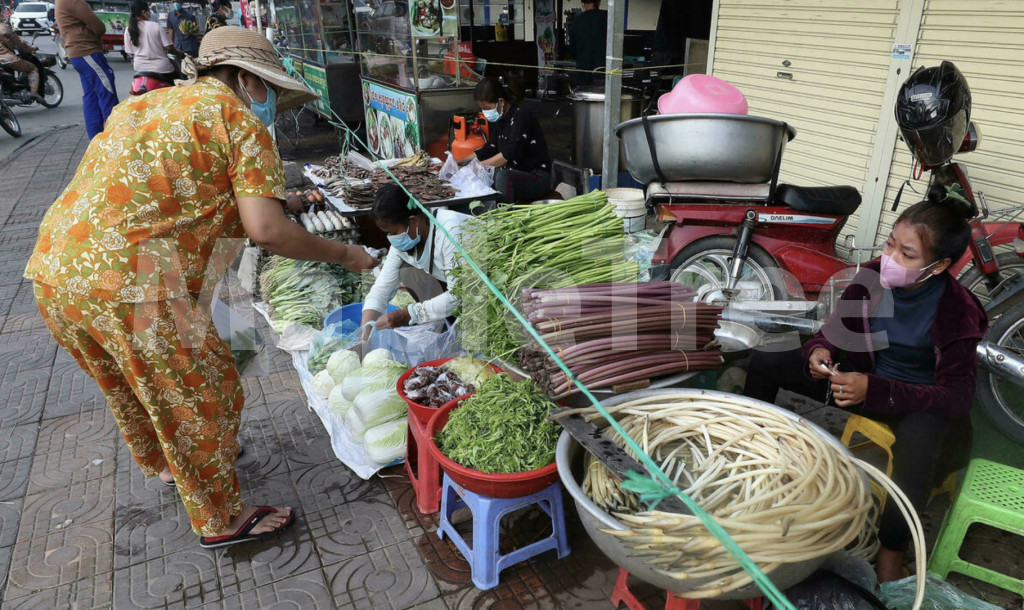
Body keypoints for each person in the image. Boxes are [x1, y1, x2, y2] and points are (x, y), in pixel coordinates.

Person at [24, 26, 379, 548]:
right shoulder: (238, 119)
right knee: (206, 389)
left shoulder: (144, 105)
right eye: (270, 90)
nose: (272, 103)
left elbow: (177, 190)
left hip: (58, 269)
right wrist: (349, 255)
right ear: (244, 79)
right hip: (137, 278)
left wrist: (289, 202)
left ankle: (171, 464)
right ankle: (221, 520)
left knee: (132, 383)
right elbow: (267, 231)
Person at [743, 197, 988, 583]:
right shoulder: (872, 278)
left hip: (917, 403)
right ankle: (747, 457)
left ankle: (891, 549)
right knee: (767, 359)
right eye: (890, 243)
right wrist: (818, 352)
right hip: (861, 382)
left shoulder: (958, 309)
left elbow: (957, 397)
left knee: (920, 440)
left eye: (907, 254)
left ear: (939, 265)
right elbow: (833, 333)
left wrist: (875, 390)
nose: (889, 257)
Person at [361, 184, 471, 333]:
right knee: (408, 272)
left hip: (485, 286)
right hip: (455, 287)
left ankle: (463, 328)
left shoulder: (451, 231)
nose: (391, 238)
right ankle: (448, 326)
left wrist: (409, 314)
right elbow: (381, 290)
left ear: (413, 221)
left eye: (393, 232)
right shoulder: (403, 241)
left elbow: (459, 294)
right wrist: (364, 334)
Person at [457, 78, 552, 204]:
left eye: (487, 107)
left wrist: (478, 167)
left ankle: (504, 216)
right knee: (476, 170)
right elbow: (488, 149)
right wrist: (458, 162)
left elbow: (507, 156)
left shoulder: (521, 117)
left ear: (500, 101)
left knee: (502, 176)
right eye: (483, 108)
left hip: (536, 177)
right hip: (514, 172)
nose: (485, 112)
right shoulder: (500, 121)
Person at [56, 0, 118, 138]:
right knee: (106, 91)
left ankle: (95, 138)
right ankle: (113, 137)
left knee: (91, 96)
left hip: (77, 54)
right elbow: (99, 27)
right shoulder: (74, 2)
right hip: (87, 51)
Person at [125, 0, 181, 87]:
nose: (149, 13)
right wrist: (179, 53)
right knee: (179, 81)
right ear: (143, 12)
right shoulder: (155, 26)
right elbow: (169, 47)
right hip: (162, 69)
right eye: (148, 11)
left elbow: (131, 52)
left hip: (139, 68)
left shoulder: (128, 29)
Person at [0, 13, 42, 102]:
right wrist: (31, 49)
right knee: (33, 69)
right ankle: (34, 93)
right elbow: (19, 43)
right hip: (7, 58)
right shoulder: (5, 28)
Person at [569, 0, 607, 87]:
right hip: (606, 73)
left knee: (584, 98)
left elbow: (572, 50)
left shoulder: (577, 21)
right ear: (598, 2)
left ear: (583, 4)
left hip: (583, 74)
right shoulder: (608, 17)